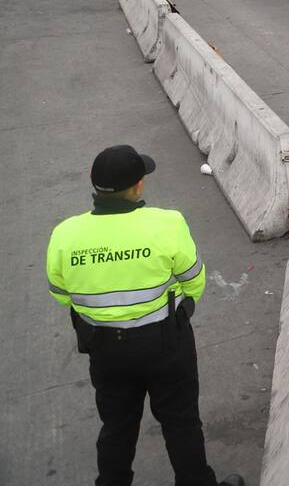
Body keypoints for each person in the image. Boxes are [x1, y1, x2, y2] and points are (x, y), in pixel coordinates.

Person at [45, 145, 244, 486]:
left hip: (105, 350)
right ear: (139, 186)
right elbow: (193, 277)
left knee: (117, 427)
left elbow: (62, 294)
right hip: (165, 344)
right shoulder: (166, 223)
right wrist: (185, 308)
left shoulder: (64, 235)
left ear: (92, 183)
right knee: (181, 422)